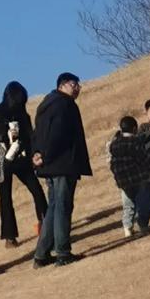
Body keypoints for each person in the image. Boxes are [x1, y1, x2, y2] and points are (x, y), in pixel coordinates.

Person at [31, 71, 92, 268]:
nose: (78, 88)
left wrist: (38, 154)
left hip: (48, 165)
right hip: (62, 163)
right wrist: (47, 154)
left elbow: (38, 133)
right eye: (75, 84)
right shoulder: (64, 104)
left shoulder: (45, 104)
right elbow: (57, 133)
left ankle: (41, 255)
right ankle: (63, 253)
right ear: (63, 85)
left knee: (53, 209)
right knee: (63, 208)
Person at [0, 81, 46, 247]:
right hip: (3, 156)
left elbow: (30, 136)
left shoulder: (23, 115)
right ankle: (9, 236)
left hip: (21, 156)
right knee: (5, 197)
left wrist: (32, 154)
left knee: (36, 189)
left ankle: (45, 223)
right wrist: (1, 136)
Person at [109, 114, 150, 239]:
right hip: (138, 177)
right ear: (135, 129)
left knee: (128, 204)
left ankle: (127, 228)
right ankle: (143, 226)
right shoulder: (135, 142)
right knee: (143, 203)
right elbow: (143, 159)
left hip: (123, 180)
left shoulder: (114, 144)